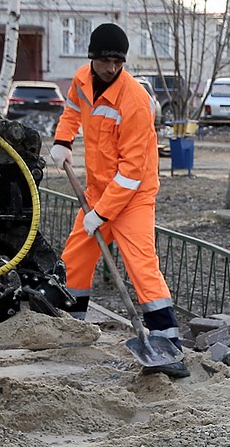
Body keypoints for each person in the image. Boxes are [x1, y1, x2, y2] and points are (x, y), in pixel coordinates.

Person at [49, 23, 188, 378]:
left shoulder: (135, 102)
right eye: (105, 60)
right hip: (98, 188)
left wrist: (102, 214)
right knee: (76, 257)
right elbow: (71, 112)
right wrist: (63, 141)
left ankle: (167, 341)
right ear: (92, 58)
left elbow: (132, 172)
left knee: (141, 263)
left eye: (118, 61)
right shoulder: (82, 80)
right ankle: (70, 322)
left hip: (133, 196)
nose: (112, 68)